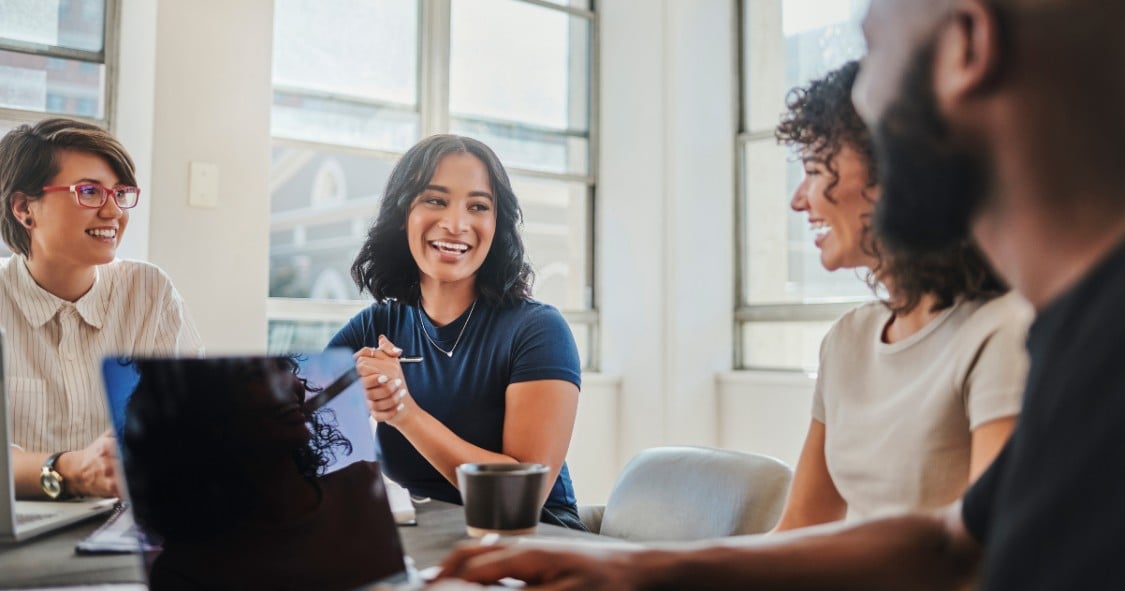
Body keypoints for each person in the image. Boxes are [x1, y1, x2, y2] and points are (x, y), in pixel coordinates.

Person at [437, 0, 1125, 588]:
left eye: (873, 46)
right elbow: (951, 539)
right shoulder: (1072, 335)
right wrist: (638, 567)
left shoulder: (1051, 341)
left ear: (963, 47)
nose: (864, 99)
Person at [771, 60, 1031, 531]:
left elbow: (978, 552)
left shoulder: (1002, 332)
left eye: (814, 167)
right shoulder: (846, 340)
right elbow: (799, 528)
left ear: (891, 167)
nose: (799, 199)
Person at [328, 134, 584, 529]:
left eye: (478, 206)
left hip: (531, 537)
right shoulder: (376, 325)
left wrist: (402, 411)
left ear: (497, 225)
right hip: (422, 533)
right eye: (435, 200)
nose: (455, 224)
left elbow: (521, 494)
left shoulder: (538, 330)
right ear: (403, 214)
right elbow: (292, 422)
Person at [0, 118, 202, 501]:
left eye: (120, 193)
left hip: (132, 529)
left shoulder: (149, 292)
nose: (114, 212)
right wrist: (70, 470)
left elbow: (191, 421)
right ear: (24, 208)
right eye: (89, 192)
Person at [121, 356, 405, 590]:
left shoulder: (367, 487)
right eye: (252, 375)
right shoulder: (186, 572)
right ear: (199, 415)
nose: (287, 384)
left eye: (281, 367)